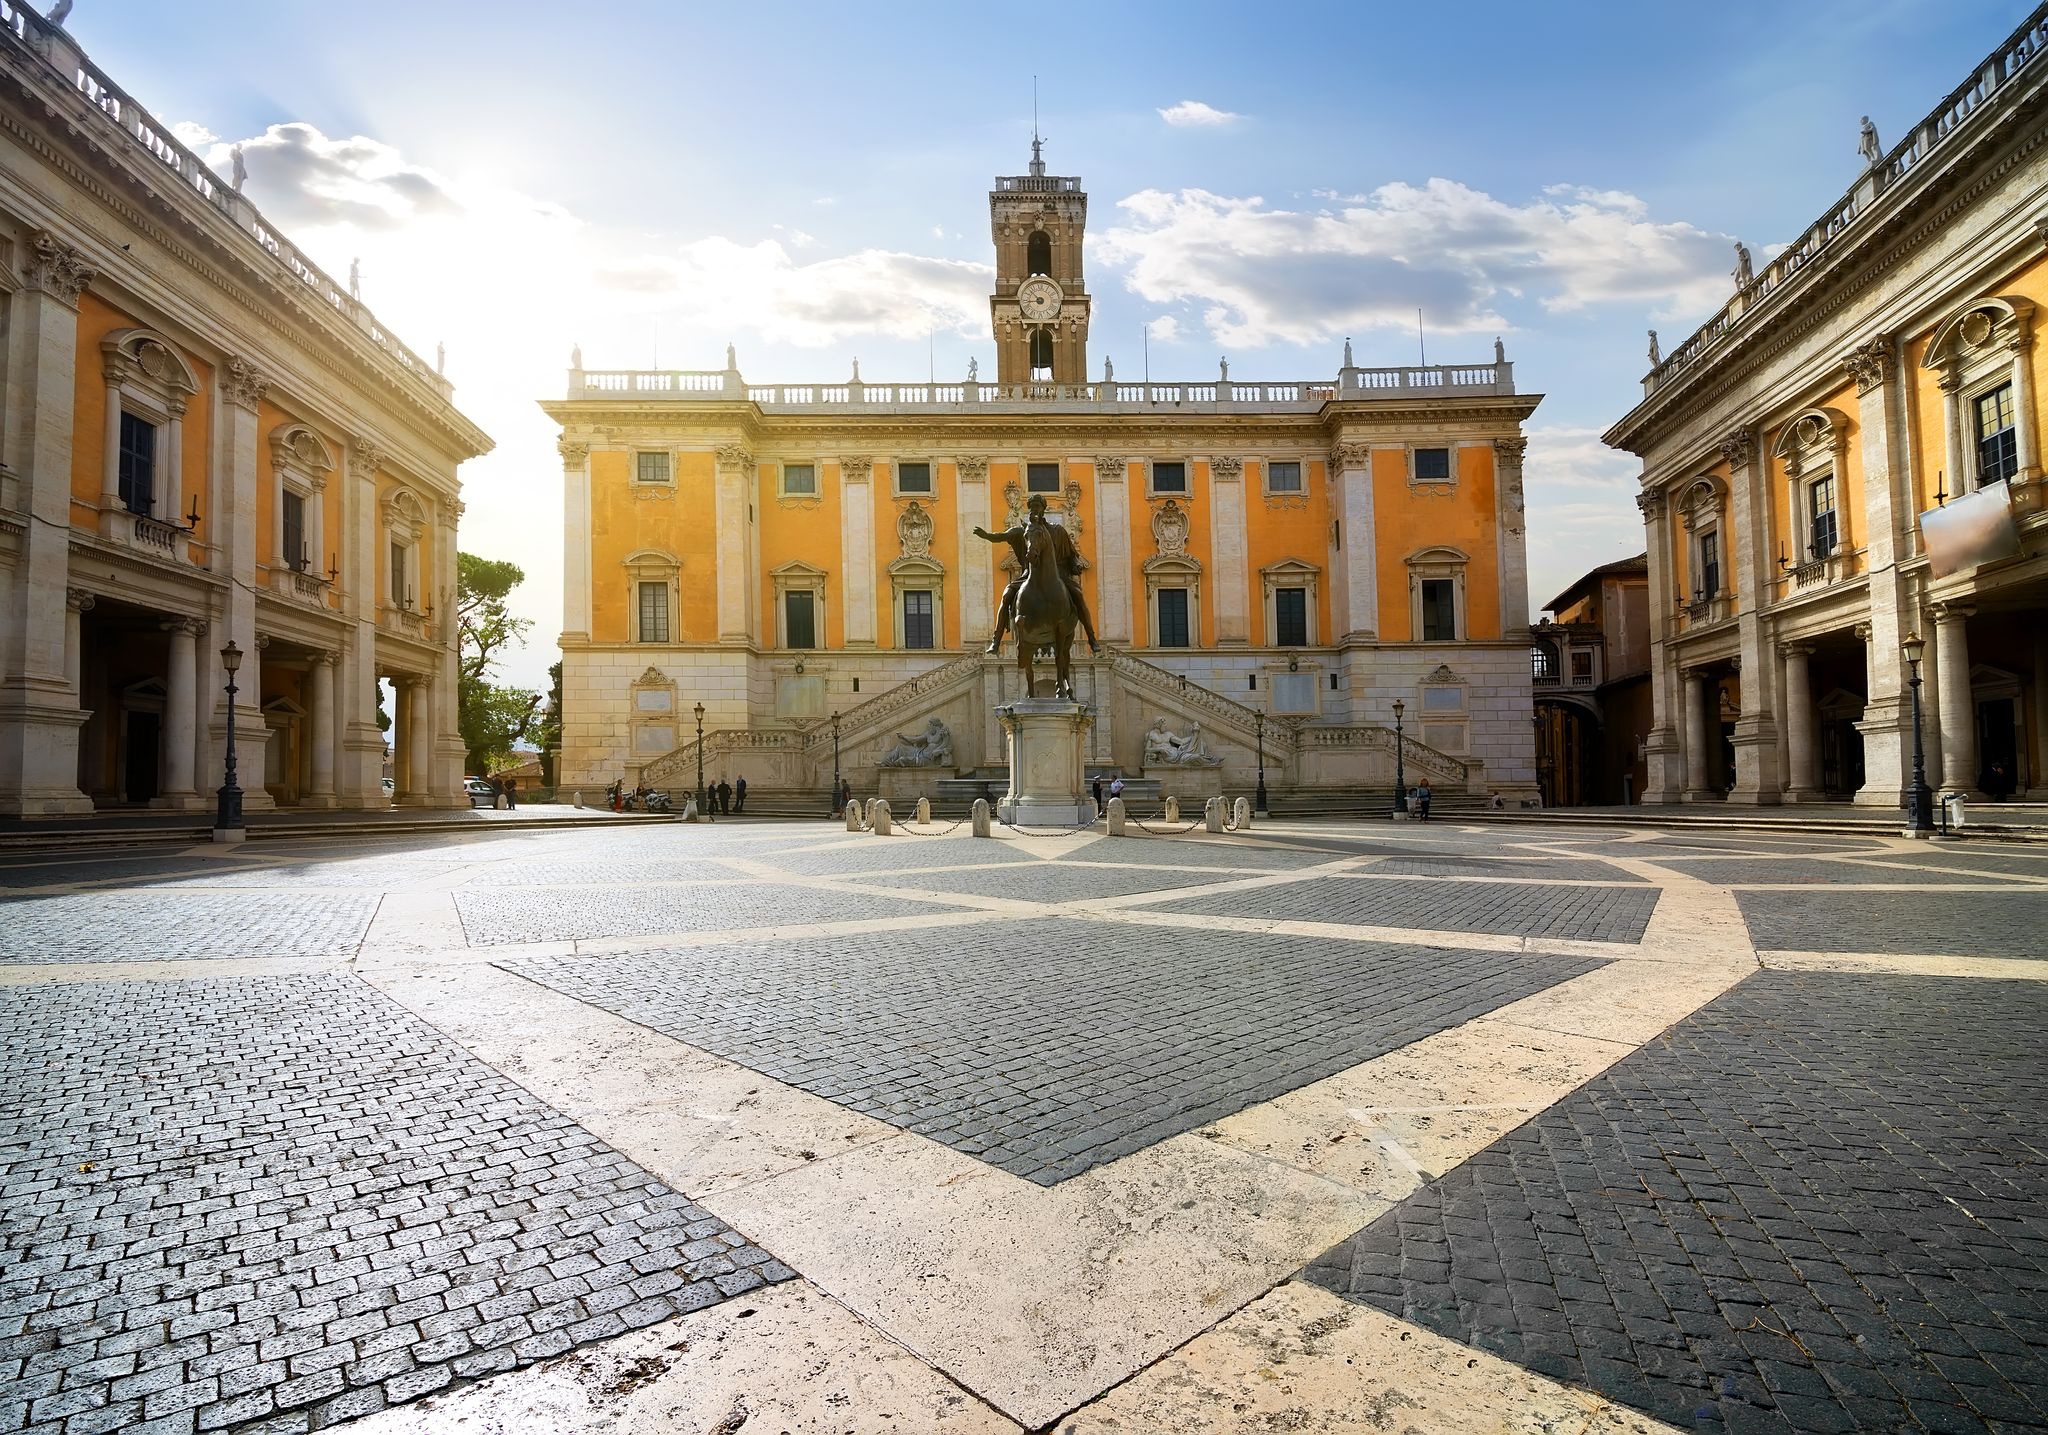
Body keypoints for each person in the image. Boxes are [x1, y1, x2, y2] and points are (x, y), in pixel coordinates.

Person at [973, 493, 1101, 655]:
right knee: (1006, 596)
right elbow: (1002, 536)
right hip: (1028, 575)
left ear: (1043, 509)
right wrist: (986, 535)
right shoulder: (1023, 531)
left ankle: (1092, 639)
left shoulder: (1057, 530)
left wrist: (1074, 565)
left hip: (1058, 575)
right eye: (1032, 507)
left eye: (1038, 507)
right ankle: (996, 641)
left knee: (1078, 595)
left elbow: (1071, 553)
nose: (1035, 510)